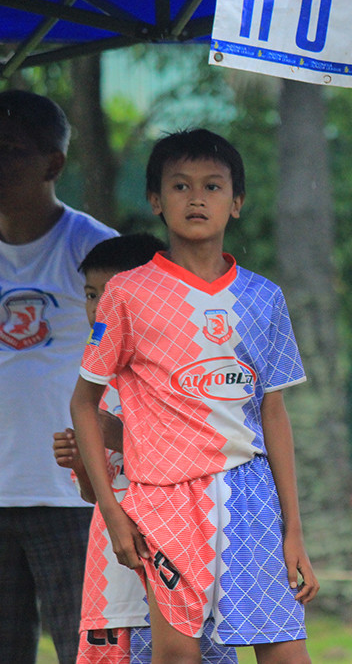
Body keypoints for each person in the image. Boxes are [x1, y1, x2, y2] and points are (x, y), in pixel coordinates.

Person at [69, 129, 318, 664]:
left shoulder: (264, 296)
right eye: (180, 186)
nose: (196, 198)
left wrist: (294, 530)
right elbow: (83, 403)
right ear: (156, 200)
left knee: (286, 653)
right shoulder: (127, 293)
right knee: (178, 655)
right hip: (165, 498)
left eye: (212, 186)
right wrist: (113, 510)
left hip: (252, 495)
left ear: (237, 202)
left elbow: (273, 412)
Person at [53, 233, 239, 664]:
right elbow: (93, 493)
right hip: (115, 575)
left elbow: (202, 452)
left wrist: (115, 433)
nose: (99, 307)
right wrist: (82, 460)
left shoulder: (187, 373)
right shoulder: (94, 385)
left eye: (112, 292)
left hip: (183, 564)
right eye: (91, 295)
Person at [0, 89, 118, 664]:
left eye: (11, 150)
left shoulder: (96, 251)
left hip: (73, 494)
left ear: (54, 163)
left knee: (85, 651)